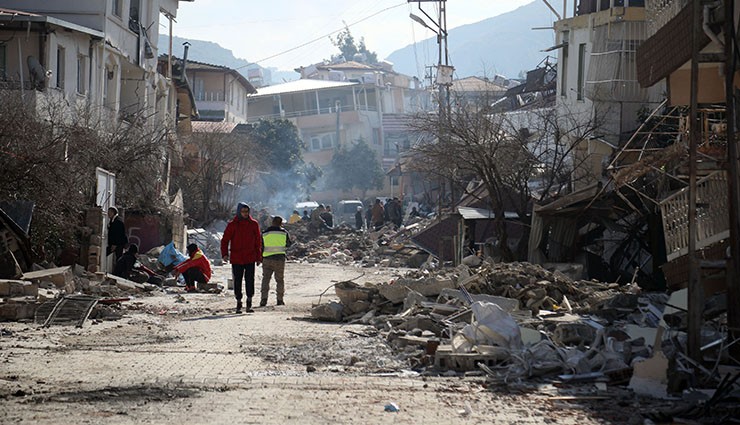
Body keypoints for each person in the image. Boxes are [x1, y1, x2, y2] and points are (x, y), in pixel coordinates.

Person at [221, 202, 262, 313]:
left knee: (250, 280)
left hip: (250, 257)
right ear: (239, 211)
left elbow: (258, 241)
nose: (245, 214)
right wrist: (224, 254)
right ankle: (239, 302)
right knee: (237, 281)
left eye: (247, 211)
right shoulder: (232, 225)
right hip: (237, 258)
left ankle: (249, 302)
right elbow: (225, 240)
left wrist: (259, 257)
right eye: (243, 211)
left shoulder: (253, 224)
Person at [260, 216, 292, 307]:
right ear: (281, 223)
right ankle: (280, 300)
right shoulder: (284, 233)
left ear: (272, 222)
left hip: (267, 259)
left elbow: (261, 245)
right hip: (279, 259)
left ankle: (263, 299)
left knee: (266, 279)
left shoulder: (265, 233)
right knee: (279, 280)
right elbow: (288, 244)